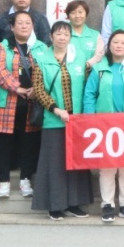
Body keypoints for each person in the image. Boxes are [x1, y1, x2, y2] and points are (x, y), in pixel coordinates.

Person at [30, 21, 93, 221]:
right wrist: (56, 109)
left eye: (66, 34)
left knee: (76, 162)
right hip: (54, 120)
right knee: (55, 164)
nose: (62, 37)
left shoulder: (80, 57)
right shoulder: (41, 59)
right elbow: (39, 89)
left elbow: (88, 86)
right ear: (51, 37)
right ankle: (55, 205)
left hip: (77, 121)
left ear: (70, 37)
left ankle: (74, 203)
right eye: (58, 34)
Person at [83, 30, 124, 222]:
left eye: (123, 43)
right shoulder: (99, 68)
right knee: (107, 165)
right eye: (115, 42)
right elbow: (89, 95)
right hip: (104, 124)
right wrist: (90, 120)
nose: (119, 46)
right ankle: (107, 204)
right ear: (109, 46)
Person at [0, 11, 45, 199]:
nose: (24, 26)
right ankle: (3, 182)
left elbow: (47, 70)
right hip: (8, 102)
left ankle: (25, 180)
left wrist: (36, 89)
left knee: (29, 142)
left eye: (27, 23)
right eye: (20, 23)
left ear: (32, 27)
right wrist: (18, 88)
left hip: (32, 103)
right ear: (12, 27)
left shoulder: (41, 47)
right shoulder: (3, 46)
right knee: (3, 143)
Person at [65, 0, 103, 72]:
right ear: (68, 15)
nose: (77, 16)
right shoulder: (62, 35)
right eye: (73, 13)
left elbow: (99, 55)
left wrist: (87, 65)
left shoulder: (95, 35)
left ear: (86, 14)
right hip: (68, 74)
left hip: (91, 73)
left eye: (80, 12)